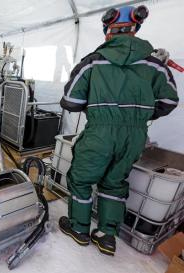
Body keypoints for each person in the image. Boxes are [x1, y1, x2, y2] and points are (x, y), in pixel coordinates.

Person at [58, 5, 179, 256]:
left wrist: (100, 105)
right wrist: (140, 115)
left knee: (81, 180)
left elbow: (70, 100)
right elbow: (169, 101)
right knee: (114, 183)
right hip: (134, 136)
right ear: (136, 28)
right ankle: (107, 236)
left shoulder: (93, 62)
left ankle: (79, 229)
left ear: (107, 29)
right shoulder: (156, 65)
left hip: (100, 133)